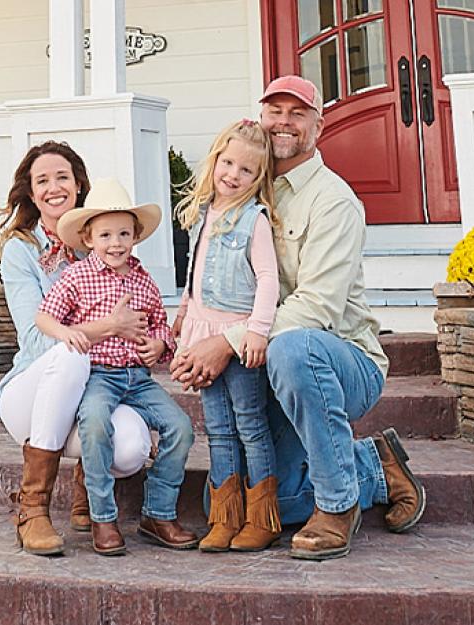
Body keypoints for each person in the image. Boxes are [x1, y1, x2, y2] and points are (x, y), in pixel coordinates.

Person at [170, 76, 426, 561]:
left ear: (318, 126)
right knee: (259, 503)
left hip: (336, 358)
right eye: (275, 111)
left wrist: (224, 343)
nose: (284, 122)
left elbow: (317, 309)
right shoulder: (244, 190)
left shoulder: (333, 202)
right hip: (260, 361)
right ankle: (374, 464)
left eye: (297, 113)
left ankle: (338, 503)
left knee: (293, 347)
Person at [0, 141, 153, 557]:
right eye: (42, 180)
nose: (53, 187)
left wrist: (151, 341)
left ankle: (88, 487)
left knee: (132, 447)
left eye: (62, 177)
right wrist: (109, 326)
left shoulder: (107, 241)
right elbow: (36, 336)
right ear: (30, 191)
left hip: (94, 391)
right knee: (71, 352)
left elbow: (139, 322)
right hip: (32, 389)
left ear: (79, 185)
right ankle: (32, 508)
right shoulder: (20, 250)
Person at [36, 178, 198, 556]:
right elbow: (44, 318)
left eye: (123, 233)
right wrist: (66, 332)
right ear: (88, 238)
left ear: (135, 236)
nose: (115, 243)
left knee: (181, 427)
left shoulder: (144, 281)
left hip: (138, 379)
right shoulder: (76, 276)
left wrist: (160, 343)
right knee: (94, 425)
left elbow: (160, 325)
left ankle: (157, 514)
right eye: (105, 235)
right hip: (98, 376)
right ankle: (102, 517)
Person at [170, 119, 282, 552]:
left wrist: (257, 330)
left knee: (250, 424)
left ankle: (262, 515)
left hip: (238, 337)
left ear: (258, 179)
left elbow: (269, 279)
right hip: (203, 330)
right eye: (228, 163)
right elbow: (194, 274)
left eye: (246, 171)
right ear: (215, 159)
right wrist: (182, 313)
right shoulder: (202, 214)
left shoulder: (253, 219)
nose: (233, 175)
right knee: (217, 427)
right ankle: (225, 515)